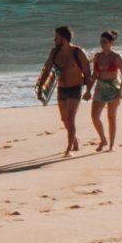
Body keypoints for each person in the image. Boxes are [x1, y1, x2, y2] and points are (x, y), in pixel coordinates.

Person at [36, 25, 90, 155]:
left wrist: (88, 90)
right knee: (64, 119)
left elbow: (87, 73)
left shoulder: (78, 52)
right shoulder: (54, 52)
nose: (54, 40)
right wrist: (40, 88)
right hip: (62, 89)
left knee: (70, 119)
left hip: (76, 89)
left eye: (57, 38)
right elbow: (46, 70)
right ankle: (75, 141)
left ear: (64, 39)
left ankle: (69, 148)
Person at [89, 30, 122, 153]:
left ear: (111, 43)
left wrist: (120, 90)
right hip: (100, 87)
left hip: (113, 88)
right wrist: (88, 90)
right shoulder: (97, 56)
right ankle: (103, 140)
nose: (102, 44)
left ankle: (111, 145)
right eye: (101, 42)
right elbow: (94, 75)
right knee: (95, 116)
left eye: (105, 42)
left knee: (111, 117)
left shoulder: (116, 57)